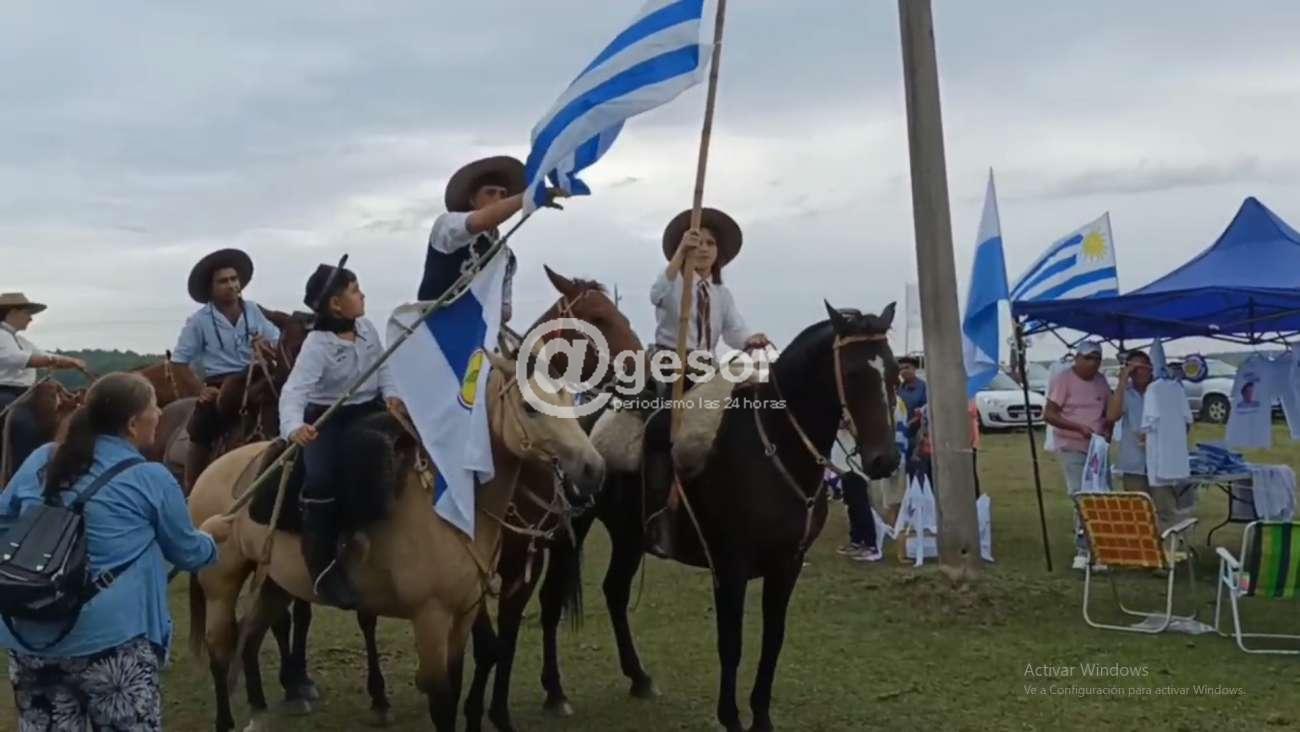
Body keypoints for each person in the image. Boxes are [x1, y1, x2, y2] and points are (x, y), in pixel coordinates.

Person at [0, 372, 217, 730]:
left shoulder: (42, 458)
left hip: (31, 642)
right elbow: (189, 553)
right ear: (132, 423)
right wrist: (211, 536)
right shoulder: (151, 478)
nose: (159, 414)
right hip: (114, 645)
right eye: (154, 407)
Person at [644, 207, 770, 558]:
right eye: (697, 242)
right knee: (660, 430)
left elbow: (734, 330)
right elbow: (655, 294)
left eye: (711, 244)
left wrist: (750, 339)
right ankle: (658, 516)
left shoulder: (721, 295)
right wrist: (678, 256)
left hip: (706, 368)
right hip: (670, 367)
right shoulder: (673, 283)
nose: (704, 249)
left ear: (719, 254)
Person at [280, 259, 403, 609]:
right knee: (320, 479)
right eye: (354, 290)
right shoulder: (317, 345)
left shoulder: (367, 328)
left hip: (371, 411)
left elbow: (384, 368)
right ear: (336, 304)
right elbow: (294, 391)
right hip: (328, 419)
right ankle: (323, 569)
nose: (362, 295)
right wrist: (294, 427)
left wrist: (393, 395)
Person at [171, 248, 281, 489]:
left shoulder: (254, 310)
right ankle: (193, 487)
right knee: (201, 427)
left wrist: (266, 345)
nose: (231, 285)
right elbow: (178, 361)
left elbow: (277, 341)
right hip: (221, 384)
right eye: (223, 281)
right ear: (211, 288)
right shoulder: (199, 321)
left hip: (257, 377)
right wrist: (200, 390)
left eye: (234, 279)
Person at [420, 156, 566, 321]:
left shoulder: (506, 257)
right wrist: (528, 197)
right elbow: (479, 221)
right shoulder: (447, 225)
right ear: (472, 200)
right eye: (490, 193)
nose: (498, 199)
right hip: (431, 327)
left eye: (503, 194)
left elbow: (505, 312)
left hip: (477, 331)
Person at [1044, 341, 1115, 570]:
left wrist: (1107, 432)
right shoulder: (1063, 379)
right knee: (1081, 495)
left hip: (1097, 448)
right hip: (1072, 445)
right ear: (1077, 358)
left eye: (1097, 359)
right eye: (1088, 358)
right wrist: (1077, 428)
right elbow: (1049, 414)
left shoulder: (1101, 381)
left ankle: (1102, 549)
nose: (1093, 363)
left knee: (1102, 495)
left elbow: (1109, 413)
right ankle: (1083, 549)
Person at [0, 292, 89, 470]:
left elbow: (42, 355)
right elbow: (15, 358)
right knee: (21, 422)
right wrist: (57, 361)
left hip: (26, 393)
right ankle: (19, 472)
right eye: (27, 313)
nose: (31, 318)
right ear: (12, 312)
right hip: (5, 392)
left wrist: (68, 361)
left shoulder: (20, 340)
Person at [897, 356, 927, 459]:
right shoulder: (899, 388)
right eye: (901, 369)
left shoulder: (923, 387)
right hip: (901, 435)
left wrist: (911, 422)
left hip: (917, 435)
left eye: (907, 367)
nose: (903, 371)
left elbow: (926, 410)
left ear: (914, 368)